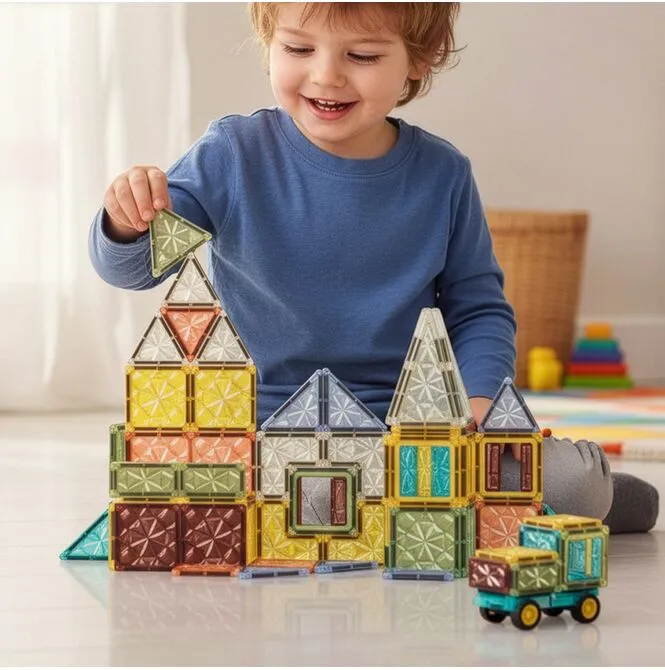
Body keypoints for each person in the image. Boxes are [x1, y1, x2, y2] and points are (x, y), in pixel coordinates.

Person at [89, 2, 657, 532]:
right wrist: (126, 221)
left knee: (574, 485)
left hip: (413, 427)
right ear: (268, 42)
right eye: (298, 48)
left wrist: (482, 400)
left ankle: (584, 495)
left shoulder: (443, 175)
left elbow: (478, 310)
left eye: (361, 56)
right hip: (262, 430)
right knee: (252, 497)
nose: (326, 75)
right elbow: (135, 269)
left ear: (419, 60)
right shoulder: (232, 155)